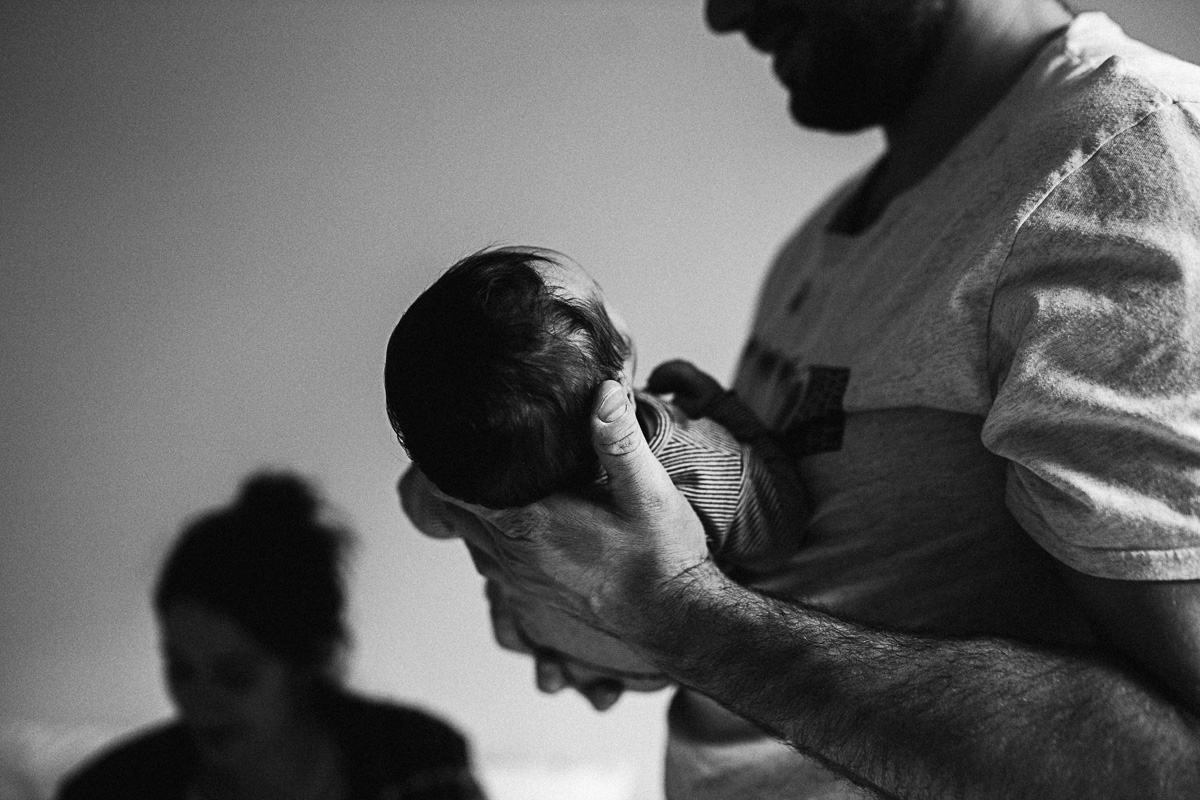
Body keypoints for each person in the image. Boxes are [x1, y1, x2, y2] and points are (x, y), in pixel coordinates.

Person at [399, 0, 1200, 797]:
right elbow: (758, 573)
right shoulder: (829, 238)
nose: (721, 16)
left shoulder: (1121, 157)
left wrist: (669, 615)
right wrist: (581, 613)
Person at [385, 245, 806, 690]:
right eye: (601, 298)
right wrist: (727, 410)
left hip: (536, 629)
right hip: (652, 663)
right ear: (618, 383)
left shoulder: (470, 477)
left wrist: (436, 477)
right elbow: (781, 531)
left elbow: (422, 514)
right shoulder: (693, 458)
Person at [59, 472, 487, 800]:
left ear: (308, 661)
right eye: (180, 669)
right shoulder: (111, 789)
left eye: (235, 677)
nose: (198, 702)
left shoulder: (420, 766)